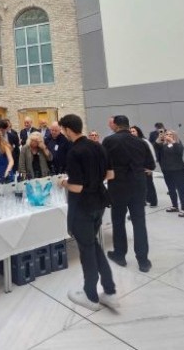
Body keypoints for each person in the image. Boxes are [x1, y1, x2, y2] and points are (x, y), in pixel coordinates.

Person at [58, 115, 118, 311]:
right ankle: (109, 291)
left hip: (83, 207)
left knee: (87, 250)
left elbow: (76, 187)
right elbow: (110, 174)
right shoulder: (98, 146)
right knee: (93, 245)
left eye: (63, 130)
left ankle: (90, 295)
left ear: (68, 129)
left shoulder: (75, 152)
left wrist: (63, 183)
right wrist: (94, 180)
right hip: (99, 203)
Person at [102, 115, 155, 273]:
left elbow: (102, 164)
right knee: (139, 222)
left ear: (115, 125)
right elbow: (151, 164)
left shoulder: (109, 141)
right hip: (138, 185)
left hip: (118, 185)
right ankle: (143, 261)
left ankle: (120, 255)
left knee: (118, 221)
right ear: (127, 125)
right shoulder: (140, 142)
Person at [158, 130, 184, 217]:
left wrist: (172, 141)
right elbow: (156, 152)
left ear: (174, 136)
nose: (168, 135)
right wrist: (159, 139)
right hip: (167, 171)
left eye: (171, 134)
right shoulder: (163, 145)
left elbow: (179, 151)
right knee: (171, 189)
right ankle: (175, 206)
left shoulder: (177, 144)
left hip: (178, 170)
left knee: (181, 190)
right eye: (167, 134)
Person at [131, 126, 158, 208]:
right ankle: (144, 200)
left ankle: (153, 201)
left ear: (138, 132)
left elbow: (152, 154)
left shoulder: (145, 141)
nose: (132, 133)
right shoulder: (131, 142)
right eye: (130, 131)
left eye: (133, 131)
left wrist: (151, 168)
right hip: (137, 168)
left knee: (149, 184)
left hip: (146, 167)